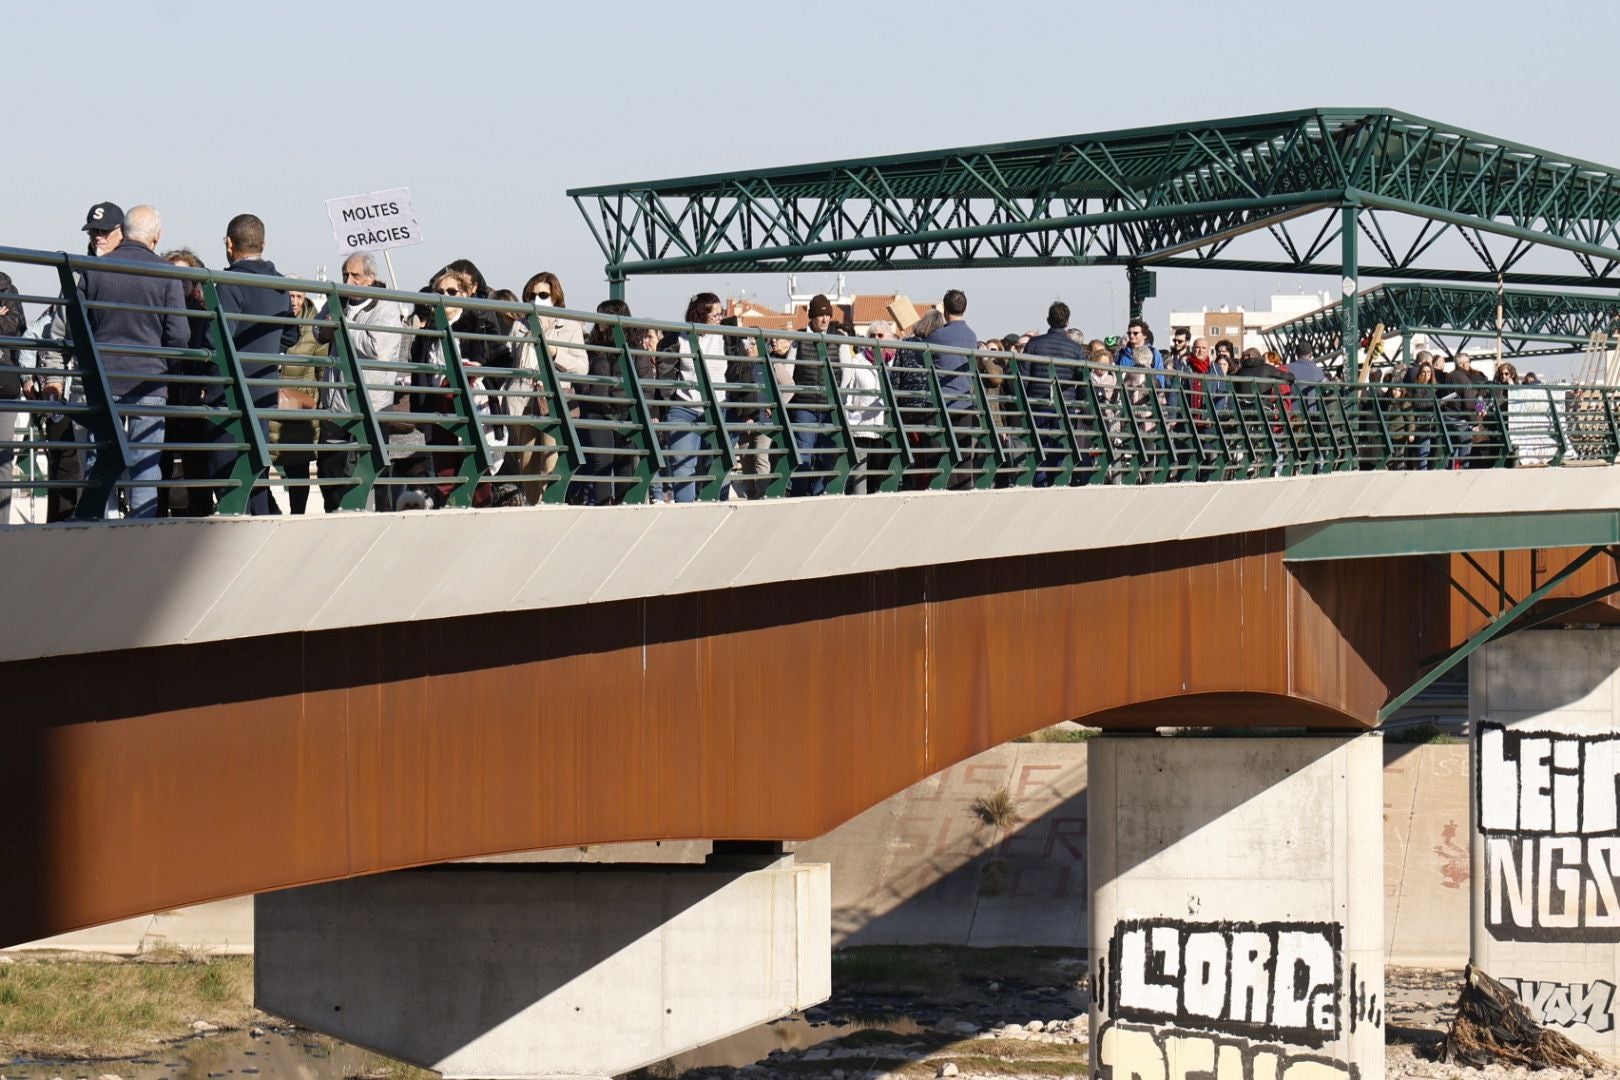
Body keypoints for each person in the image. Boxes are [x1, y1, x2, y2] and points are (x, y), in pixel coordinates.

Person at [77, 205, 189, 518]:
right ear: (157, 235)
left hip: (103, 377)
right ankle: (141, 535)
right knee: (146, 466)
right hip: (149, 381)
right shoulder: (167, 274)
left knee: (99, 460)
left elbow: (78, 324)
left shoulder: (94, 268)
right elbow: (179, 335)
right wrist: (169, 367)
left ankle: (98, 528)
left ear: (123, 231)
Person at [214, 213, 299, 514]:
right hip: (263, 390)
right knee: (257, 471)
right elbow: (292, 332)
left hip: (228, 395)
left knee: (227, 475)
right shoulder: (278, 284)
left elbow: (218, 340)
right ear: (263, 244)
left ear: (229, 244)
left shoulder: (229, 283)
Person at [510, 271, 588, 502]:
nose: (537, 300)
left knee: (551, 461)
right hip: (523, 398)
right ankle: (534, 506)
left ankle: (551, 503)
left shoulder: (570, 325)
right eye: (531, 295)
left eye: (543, 294)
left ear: (555, 296)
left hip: (555, 397)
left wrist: (555, 353)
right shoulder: (519, 325)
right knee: (526, 463)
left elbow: (582, 367)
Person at [1020, 301, 1086, 486]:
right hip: (1065, 407)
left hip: (1037, 405)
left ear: (1048, 319)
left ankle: (1040, 486)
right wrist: (1081, 405)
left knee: (1038, 450)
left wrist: (1024, 404)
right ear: (1068, 321)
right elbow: (1082, 382)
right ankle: (1059, 484)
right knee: (1061, 450)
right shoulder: (1076, 349)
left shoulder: (1034, 344)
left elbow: (1023, 378)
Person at [787, 293, 841, 496]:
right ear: (812, 316)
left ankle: (819, 495)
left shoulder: (838, 339)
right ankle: (799, 495)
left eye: (828, 315)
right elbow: (789, 372)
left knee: (826, 454)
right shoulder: (798, 340)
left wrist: (839, 397)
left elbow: (846, 373)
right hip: (805, 404)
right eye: (820, 315)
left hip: (829, 406)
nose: (825, 319)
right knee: (804, 452)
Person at [0, 273, 25, 525]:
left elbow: (14, 325)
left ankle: (2, 525)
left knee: (3, 457)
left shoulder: (8, 288)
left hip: (4, 383)